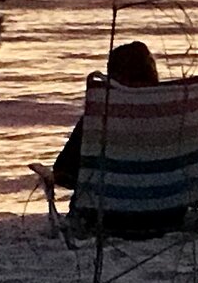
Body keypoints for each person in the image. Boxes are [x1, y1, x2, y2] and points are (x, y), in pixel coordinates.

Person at [50, 39, 161, 194]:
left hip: (104, 214)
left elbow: (63, 174)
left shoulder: (100, 117)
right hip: (170, 212)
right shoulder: (178, 116)